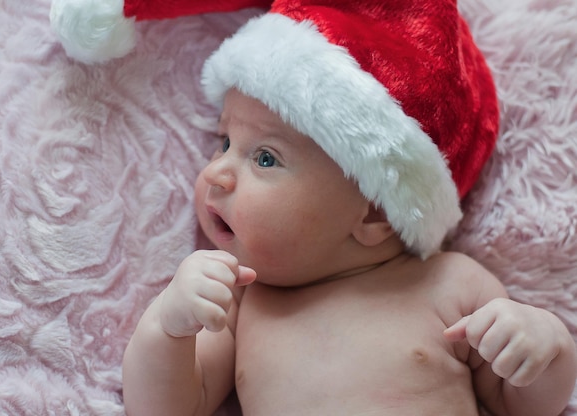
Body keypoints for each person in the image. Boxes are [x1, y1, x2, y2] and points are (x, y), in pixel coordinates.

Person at [121, 1, 577, 415]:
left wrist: (545, 349)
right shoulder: (242, 304)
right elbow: (166, 409)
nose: (216, 172)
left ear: (375, 212)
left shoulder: (451, 284)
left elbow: (525, 406)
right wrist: (169, 327)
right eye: (224, 142)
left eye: (265, 158)